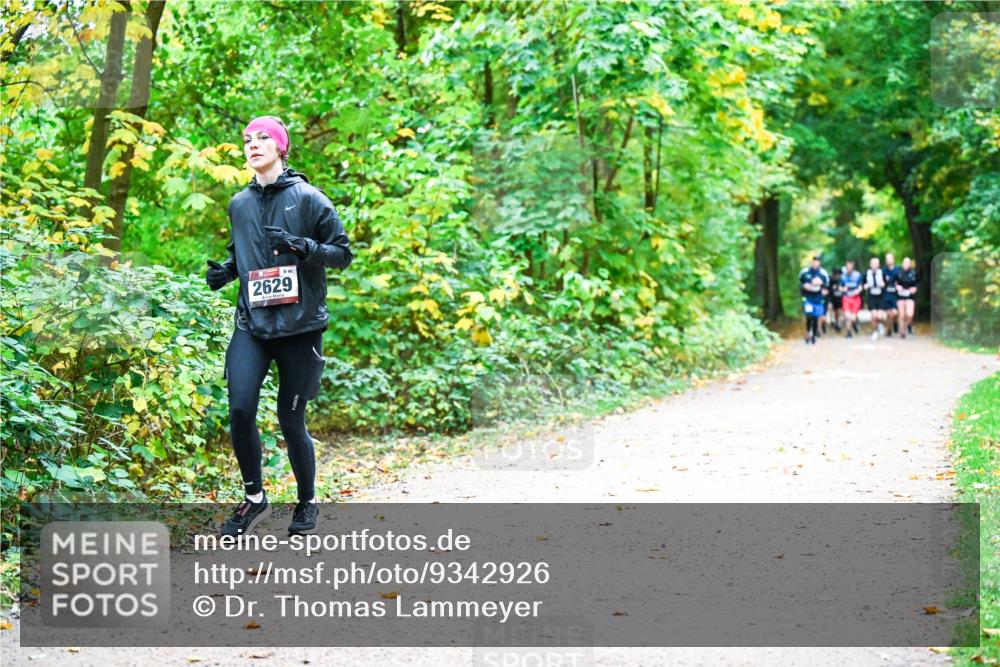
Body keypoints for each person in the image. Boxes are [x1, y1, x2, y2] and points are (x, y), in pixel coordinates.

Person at [206, 115, 353, 537]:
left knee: (290, 418)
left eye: (262, 138)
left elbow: (342, 254)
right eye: (247, 140)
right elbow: (242, 252)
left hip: (300, 327)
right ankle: (255, 499)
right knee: (239, 409)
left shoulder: (309, 198)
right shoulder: (239, 203)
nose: (253, 144)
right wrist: (227, 271)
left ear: (280, 147)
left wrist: (304, 247)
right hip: (252, 324)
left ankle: (306, 502)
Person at [798, 255, 829, 345]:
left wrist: (821, 284)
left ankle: (814, 335)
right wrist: (804, 286)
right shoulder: (805, 272)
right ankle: (808, 332)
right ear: (812, 262)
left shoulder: (823, 273)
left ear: (819, 263)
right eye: (814, 261)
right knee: (809, 315)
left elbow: (827, 285)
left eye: (817, 261)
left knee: (815, 317)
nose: (815, 263)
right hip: (808, 298)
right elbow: (800, 283)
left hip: (818, 299)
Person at [864, 257, 887, 340]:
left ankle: (880, 324)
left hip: (880, 297)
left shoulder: (882, 273)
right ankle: (874, 332)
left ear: (878, 265)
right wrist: (865, 286)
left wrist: (884, 284)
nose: (874, 265)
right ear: (870, 265)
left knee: (880, 316)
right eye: (873, 264)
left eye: (876, 264)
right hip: (871, 297)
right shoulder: (866, 273)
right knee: (873, 315)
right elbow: (863, 284)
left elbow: (887, 284)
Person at [896, 257, 918, 338]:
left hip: (910, 296)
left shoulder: (913, 273)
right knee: (901, 315)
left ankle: (905, 326)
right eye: (905, 263)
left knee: (909, 314)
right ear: (902, 264)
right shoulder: (898, 273)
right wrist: (897, 286)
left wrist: (915, 288)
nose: (906, 265)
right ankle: (902, 332)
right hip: (900, 296)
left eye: (908, 263)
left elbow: (917, 284)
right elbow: (893, 282)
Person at [840, 260, 863, 338]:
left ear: (853, 267)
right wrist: (843, 289)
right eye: (847, 267)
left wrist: (858, 290)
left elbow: (860, 286)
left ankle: (855, 323)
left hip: (855, 299)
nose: (849, 268)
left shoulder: (858, 275)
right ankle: (848, 332)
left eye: (850, 267)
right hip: (846, 298)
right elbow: (840, 287)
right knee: (847, 316)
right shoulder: (842, 276)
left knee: (852, 317)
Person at [882, 252, 900, 337]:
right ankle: (889, 330)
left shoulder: (898, 270)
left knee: (895, 313)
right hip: (886, 295)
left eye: (890, 258)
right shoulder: (883, 270)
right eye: (887, 258)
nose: (889, 260)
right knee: (888, 314)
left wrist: (899, 285)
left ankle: (895, 322)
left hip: (896, 295)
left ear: (893, 259)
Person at [828, 266, 844, 333]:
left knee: (838, 311)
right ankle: (832, 320)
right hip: (832, 297)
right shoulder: (830, 280)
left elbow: (845, 288)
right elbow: (827, 289)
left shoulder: (842, 280)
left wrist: (842, 289)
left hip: (839, 298)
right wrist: (832, 288)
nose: (837, 275)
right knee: (830, 308)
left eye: (838, 274)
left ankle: (838, 323)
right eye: (836, 274)